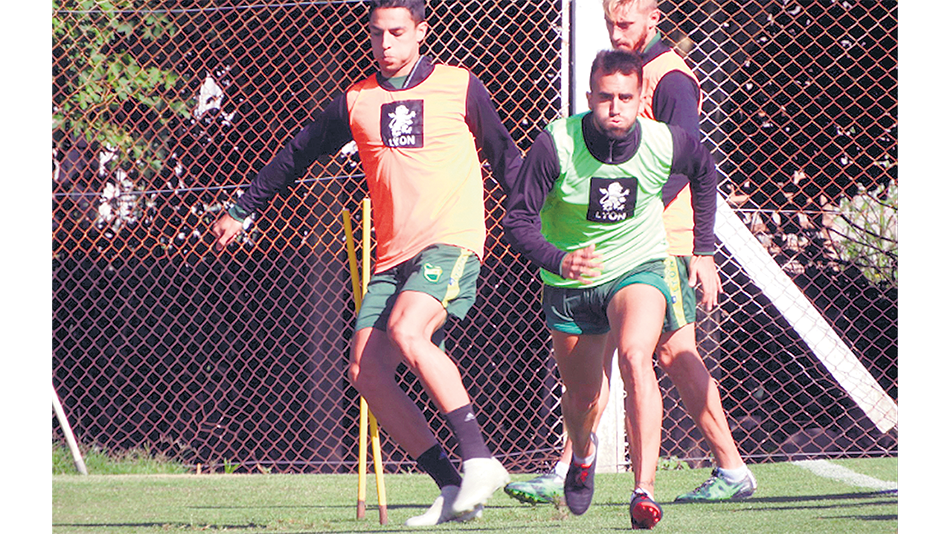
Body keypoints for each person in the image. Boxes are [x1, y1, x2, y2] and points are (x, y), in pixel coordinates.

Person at [210, 0, 522, 527]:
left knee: (408, 330)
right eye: (377, 34)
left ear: (421, 31)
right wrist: (243, 209)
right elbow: (297, 152)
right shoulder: (356, 100)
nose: (386, 44)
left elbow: (505, 155)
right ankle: (451, 489)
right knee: (366, 371)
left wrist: (534, 226)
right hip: (391, 254)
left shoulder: (459, 85)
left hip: (450, 240)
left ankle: (479, 459)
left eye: (397, 33)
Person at [503, 0, 756, 508]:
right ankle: (578, 456)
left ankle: (706, 473)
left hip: (660, 237)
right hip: (594, 252)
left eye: (626, 22)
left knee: (658, 353)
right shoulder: (564, 139)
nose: (617, 33)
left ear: (653, 17)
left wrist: (695, 246)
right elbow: (520, 219)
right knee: (615, 369)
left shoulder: (670, 77)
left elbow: (689, 164)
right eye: (609, 23)